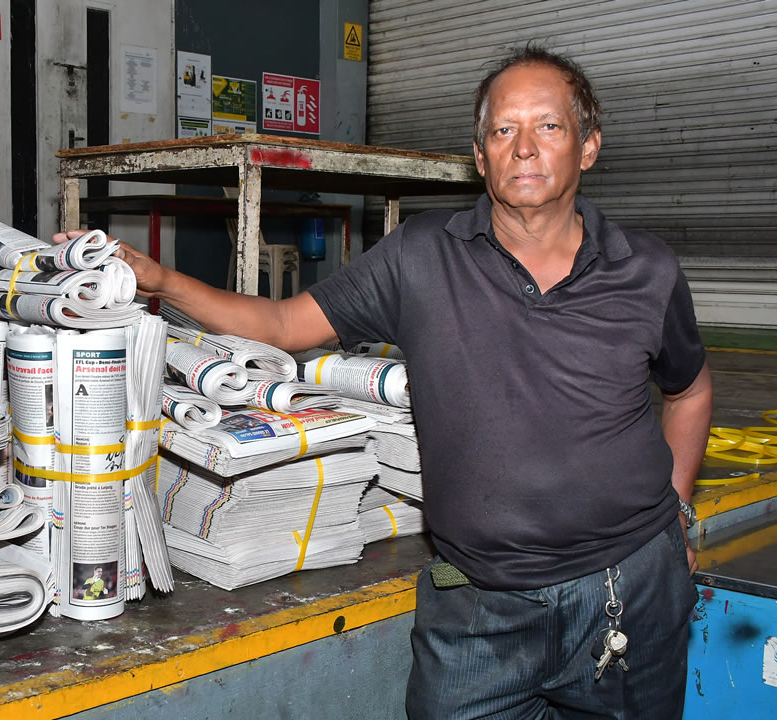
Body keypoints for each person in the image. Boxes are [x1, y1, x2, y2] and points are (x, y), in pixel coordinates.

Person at [56, 44, 712, 719]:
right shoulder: (421, 258)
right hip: (480, 609)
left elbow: (688, 391)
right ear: (480, 156)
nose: (523, 148)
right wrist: (161, 280)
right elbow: (281, 323)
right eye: (502, 130)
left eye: (548, 126)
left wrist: (677, 512)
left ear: (589, 146)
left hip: (626, 593)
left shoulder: (646, 272)